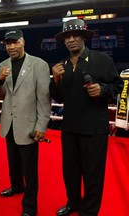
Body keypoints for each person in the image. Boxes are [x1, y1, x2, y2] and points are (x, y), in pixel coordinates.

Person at [50, 19, 124, 216]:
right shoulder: (62, 66)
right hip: (69, 128)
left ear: (84, 37)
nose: (72, 40)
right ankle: (72, 203)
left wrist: (103, 89)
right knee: (70, 172)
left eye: (75, 36)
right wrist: (56, 81)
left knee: (93, 174)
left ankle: (89, 211)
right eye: (68, 36)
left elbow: (118, 86)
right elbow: (58, 97)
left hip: (94, 129)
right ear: (64, 40)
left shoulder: (102, 59)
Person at [0, 28, 51, 216]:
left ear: (23, 42)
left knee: (30, 169)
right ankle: (16, 186)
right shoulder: (2, 65)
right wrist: (0, 80)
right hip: (9, 123)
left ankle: (29, 207)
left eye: (15, 42)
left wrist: (41, 125)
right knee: (13, 162)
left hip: (29, 124)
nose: (11, 46)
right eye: (8, 43)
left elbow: (44, 99)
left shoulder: (39, 65)